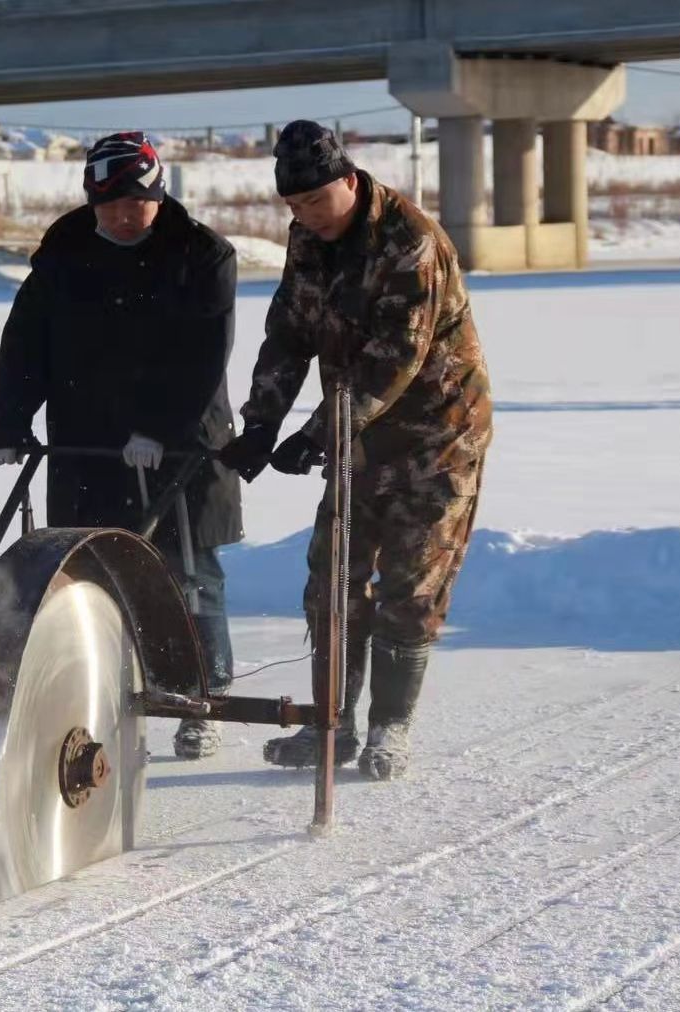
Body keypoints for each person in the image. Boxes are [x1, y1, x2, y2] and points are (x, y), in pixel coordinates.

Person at [220, 120, 493, 781]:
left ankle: (389, 729)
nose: (308, 217)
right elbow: (289, 330)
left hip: (437, 435)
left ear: (350, 181)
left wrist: (316, 433)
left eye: (317, 201)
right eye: (295, 208)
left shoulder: (412, 244)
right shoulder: (309, 241)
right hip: (358, 434)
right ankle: (331, 728)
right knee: (333, 580)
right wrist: (260, 423)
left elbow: (395, 357)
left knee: (410, 585)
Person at [0, 131, 244, 759]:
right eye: (112, 206)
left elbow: (204, 357)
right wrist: (7, 423)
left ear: (159, 195)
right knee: (86, 572)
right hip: (87, 442)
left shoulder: (201, 254)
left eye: (138, 204)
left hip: (180, 445)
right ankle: (102, 697)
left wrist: (160, 428)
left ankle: (200, 695)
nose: (126, 217)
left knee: (186, 571)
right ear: (92, 201)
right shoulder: (65, 252)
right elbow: (26, 344)